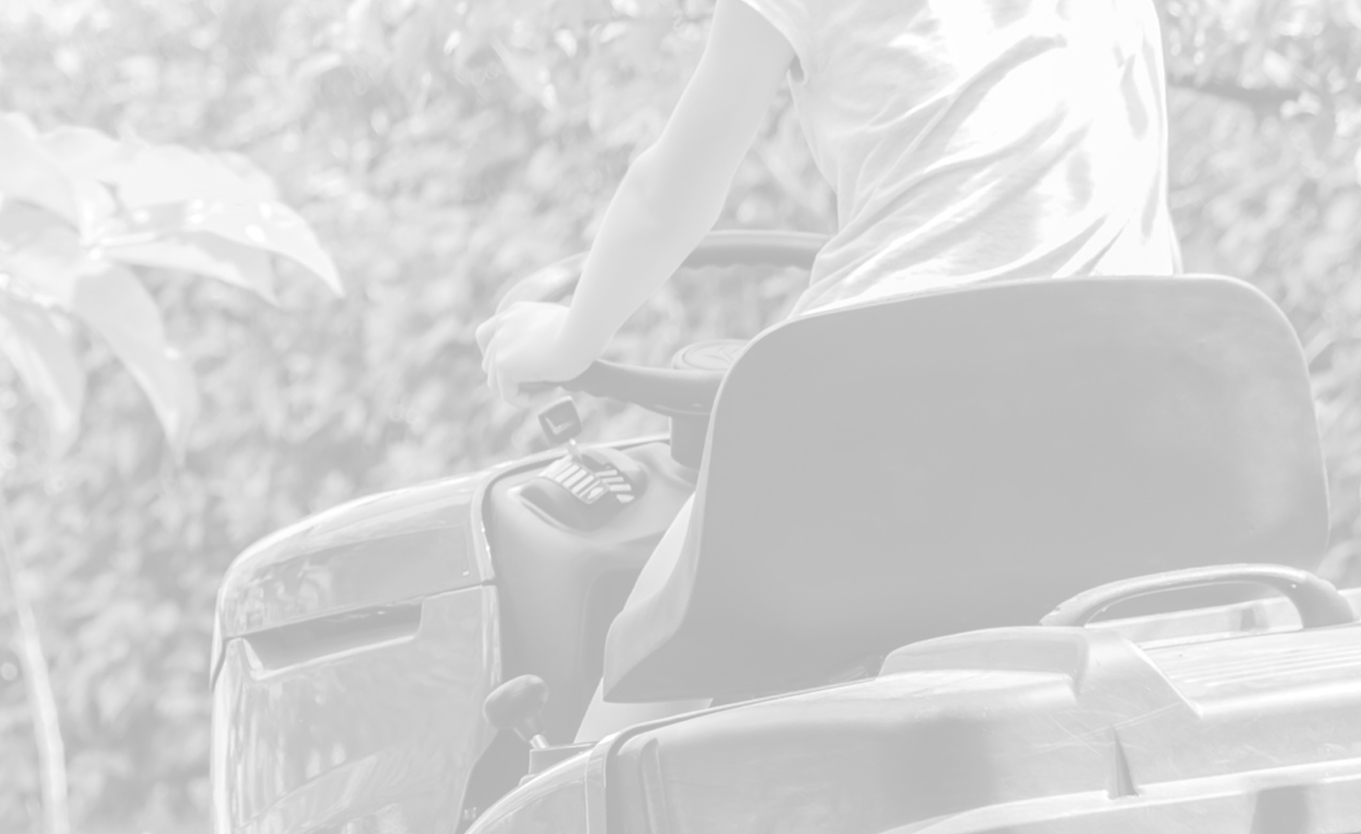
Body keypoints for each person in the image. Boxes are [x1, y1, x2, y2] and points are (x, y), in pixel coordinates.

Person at [477, 0, 1183, 736]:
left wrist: (568, 341)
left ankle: (586, 821)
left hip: (885, 404)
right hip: (1127, 417)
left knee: (647, 662)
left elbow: (667, 196)